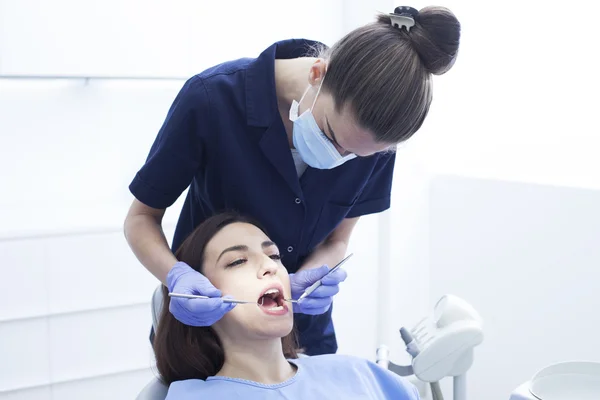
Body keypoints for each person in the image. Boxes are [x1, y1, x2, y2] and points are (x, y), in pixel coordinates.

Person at [124, 5, 461, 355]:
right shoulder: (211, 100)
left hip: (305, 338)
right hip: (209, 334)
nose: (339, 159)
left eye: (358, 156)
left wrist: (317, 271)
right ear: (318, 73)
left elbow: (336, 240)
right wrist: (177, 277)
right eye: (332, 137)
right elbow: (141, 218)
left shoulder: (374, 141)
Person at [153, 212, 420, 399]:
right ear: (200, 296)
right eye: (237, 261)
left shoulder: (361, 374)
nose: (270, 267)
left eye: (274, 255)